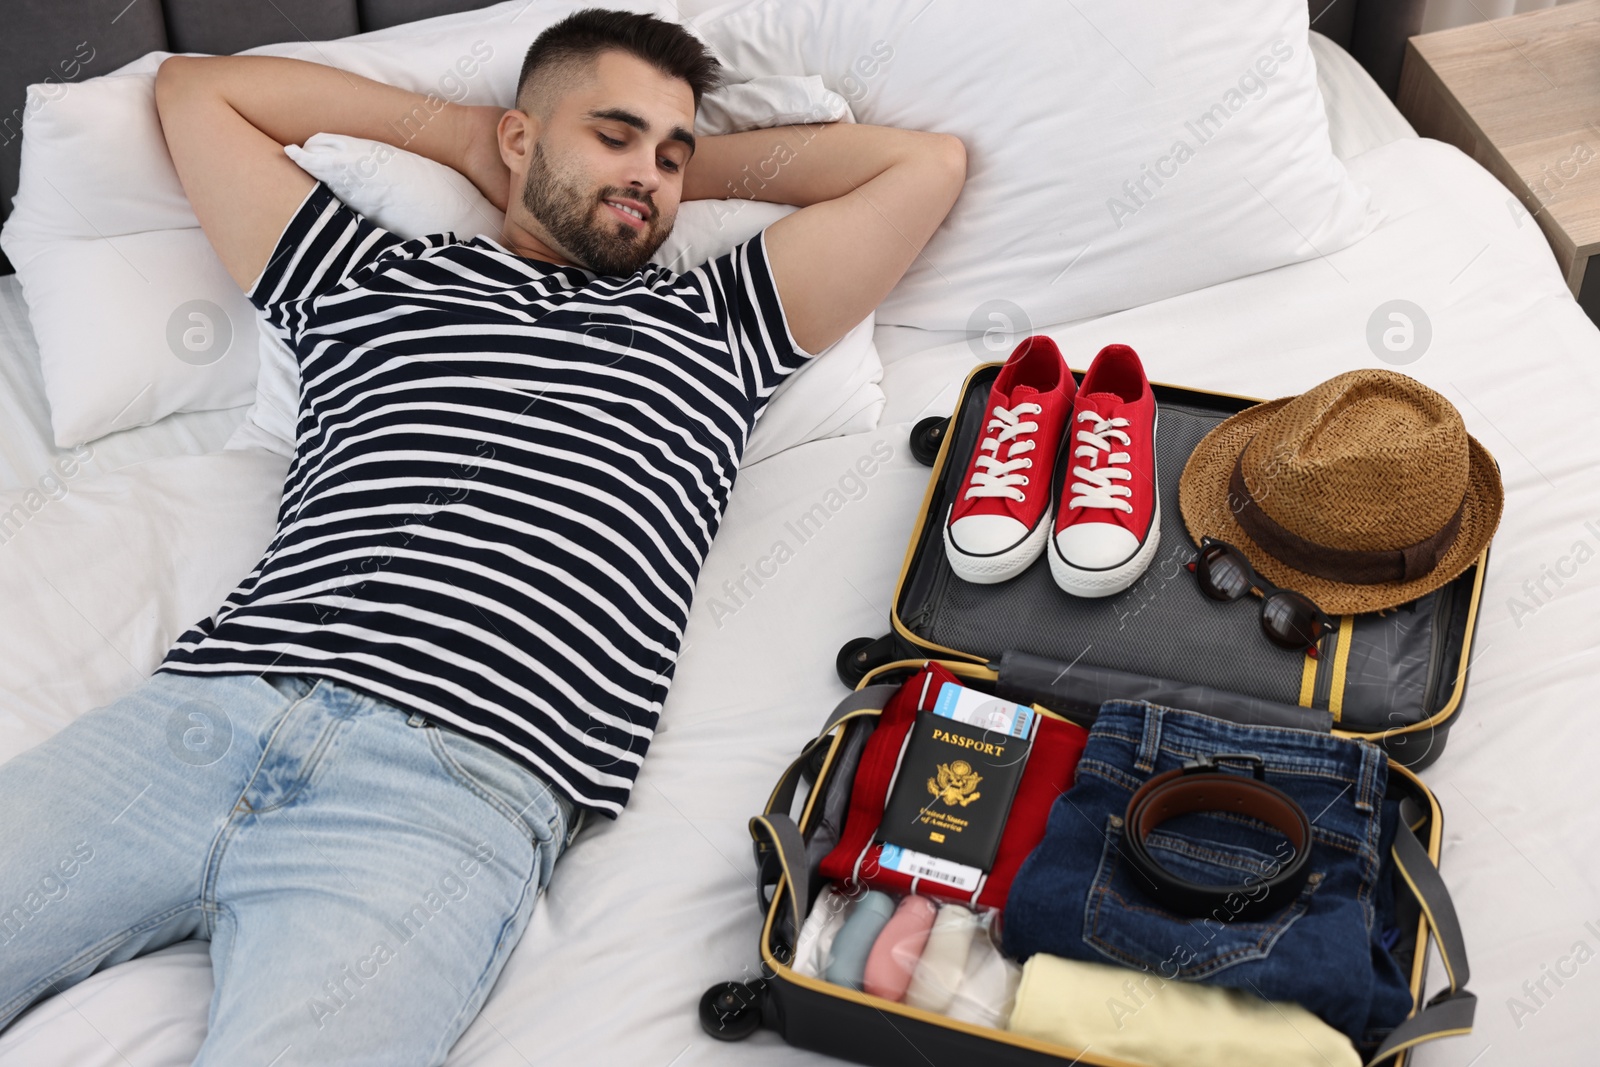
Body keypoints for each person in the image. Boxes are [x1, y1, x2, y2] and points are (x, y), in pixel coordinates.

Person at [0, 8, 965, 1064]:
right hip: (210, 710)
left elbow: (921, 166)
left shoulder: (716, 327)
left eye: (671, 153)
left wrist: (658, 166)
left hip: (453, 792)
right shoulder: (364, 279)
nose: (650, 173)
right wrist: (462, 136)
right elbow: (197, 92)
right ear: (519, 135)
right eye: (614, 132)